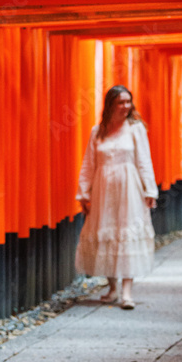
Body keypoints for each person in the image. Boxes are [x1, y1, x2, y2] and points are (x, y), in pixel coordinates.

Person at [75, 85, 158, 310]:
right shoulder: (98, 131)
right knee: (106, 231)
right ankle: (112, 288)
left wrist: (149, 190)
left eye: (128, 102)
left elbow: (144, 160)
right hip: (103, 190)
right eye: (120, 102)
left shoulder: (135, 128)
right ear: (111, 104)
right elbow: (89, 164)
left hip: (129, 188)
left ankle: (127, 292)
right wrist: (84, 193)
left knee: (127, 231)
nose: (125, 107)